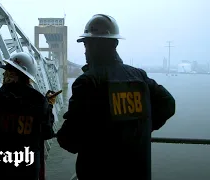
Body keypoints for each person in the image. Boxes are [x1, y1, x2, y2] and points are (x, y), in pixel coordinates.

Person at [56, 14, 176, 180]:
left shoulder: (88, 82)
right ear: (116, 43)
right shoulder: (139, 76)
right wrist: (143, 128)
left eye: (86, 44)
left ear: (90, 45)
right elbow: (168, 104)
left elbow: (69, 139)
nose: (85, 50)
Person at [0, 52, 56, 180]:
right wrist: (49, 106)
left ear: (13, 74)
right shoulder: (40, 100)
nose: (3, 75)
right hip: (27, 170)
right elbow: (47, 132)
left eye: (6, 71)